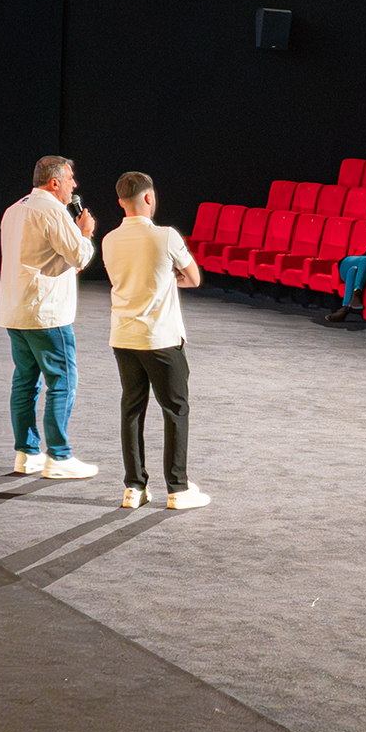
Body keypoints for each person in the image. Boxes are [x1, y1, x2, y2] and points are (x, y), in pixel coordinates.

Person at [102, 172, 208, 511]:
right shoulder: (166, 236)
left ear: (121, 202)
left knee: (132, 409)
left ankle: (134, 487)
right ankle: (178, 488)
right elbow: (193, 278)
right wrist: (168, 277)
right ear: (149, 198)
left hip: (124, 336)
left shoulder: (109, 240)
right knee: (175, 410)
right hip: (161, 338)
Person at [0, 155, 100, 480]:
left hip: (16, 309)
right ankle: (58, 455)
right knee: (62, 381)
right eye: (70, 179)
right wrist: (85, 232)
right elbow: (80, 254)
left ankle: (26, 453)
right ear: (55, 183)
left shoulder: (14, 210)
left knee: (25, 382)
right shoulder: (53, 211)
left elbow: (37, 256)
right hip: (46, 313)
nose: (74, 185)